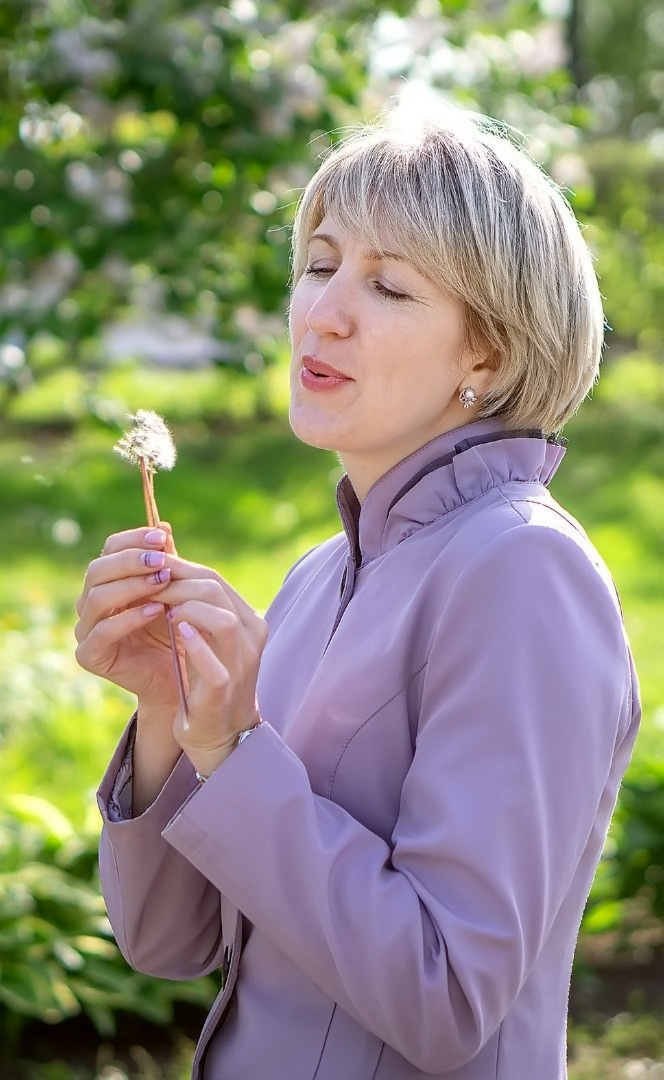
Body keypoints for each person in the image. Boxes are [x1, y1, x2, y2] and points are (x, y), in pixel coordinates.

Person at [73, 93, 642, 1079]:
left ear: (489, 353)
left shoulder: (521, 573)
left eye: (388, 286)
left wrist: (237, 748)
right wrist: (170, 716)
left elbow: (449, 994)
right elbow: (172, 943)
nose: (324, 312)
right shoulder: (317, 578)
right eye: (321, 264)